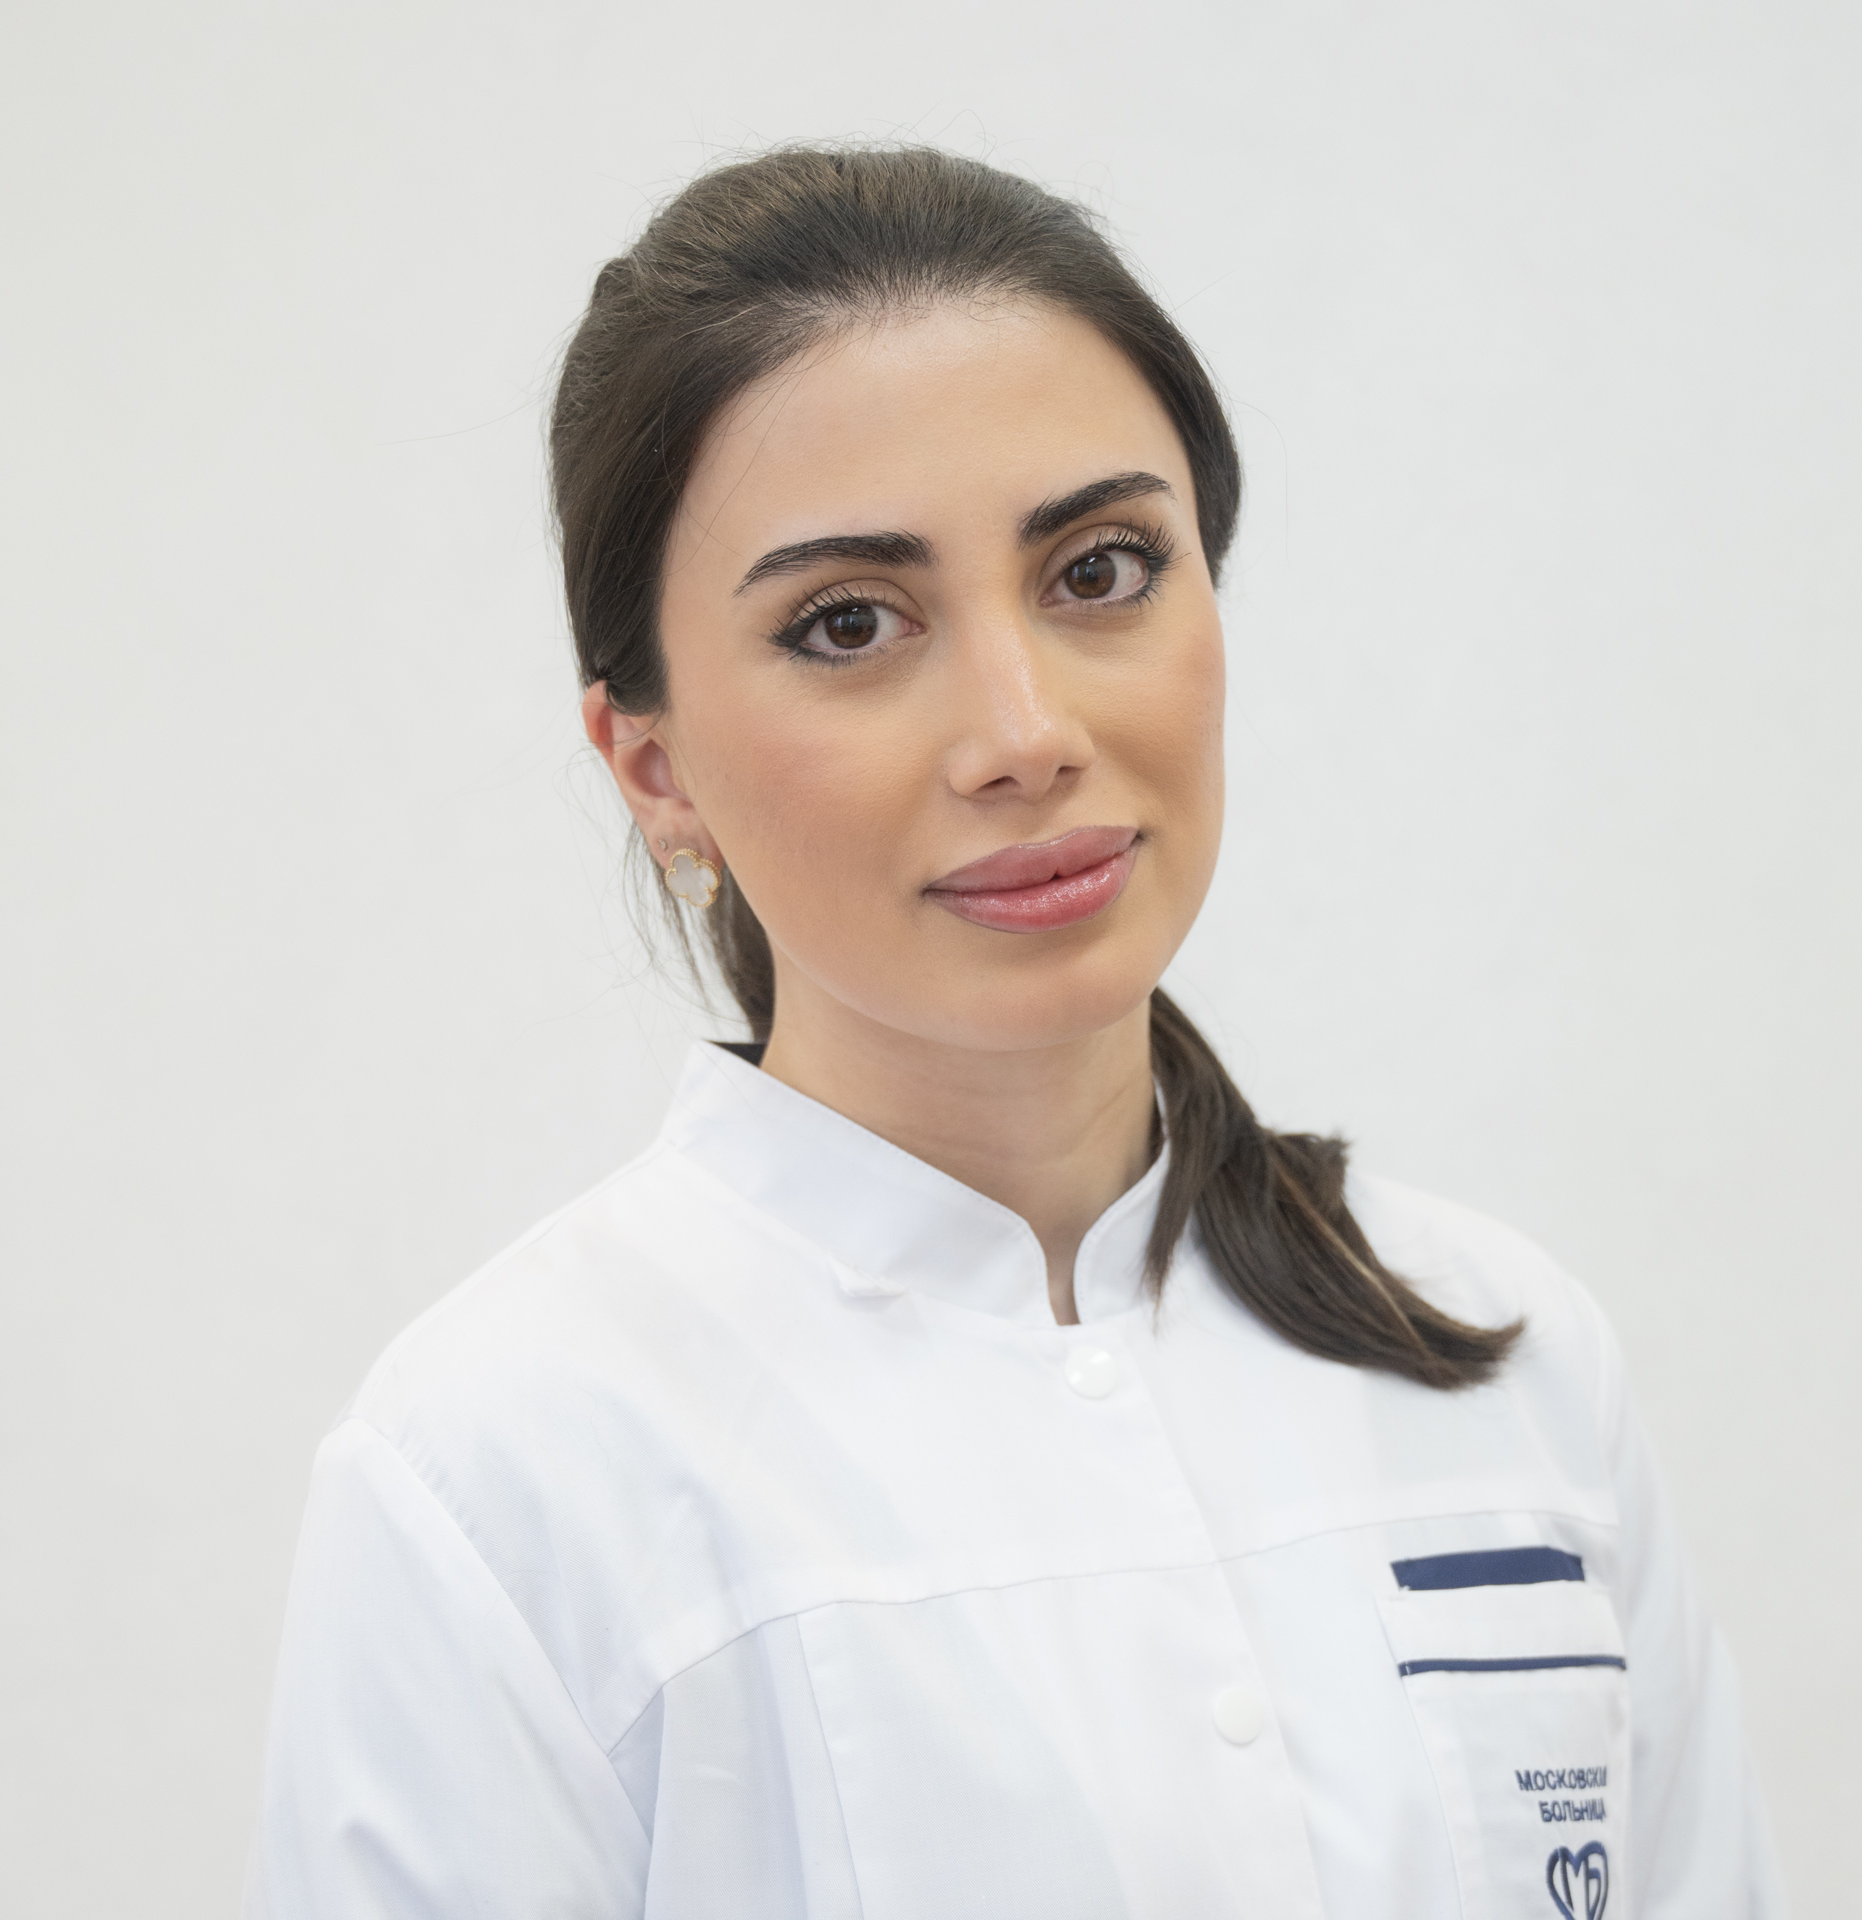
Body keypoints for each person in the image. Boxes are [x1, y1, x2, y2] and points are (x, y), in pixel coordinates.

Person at [244, 146, 1784, 1918]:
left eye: (1102, 568)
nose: (1025, 731)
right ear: (653, 768)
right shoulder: (500, 1476)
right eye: (849, 623)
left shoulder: (1514, 1369)